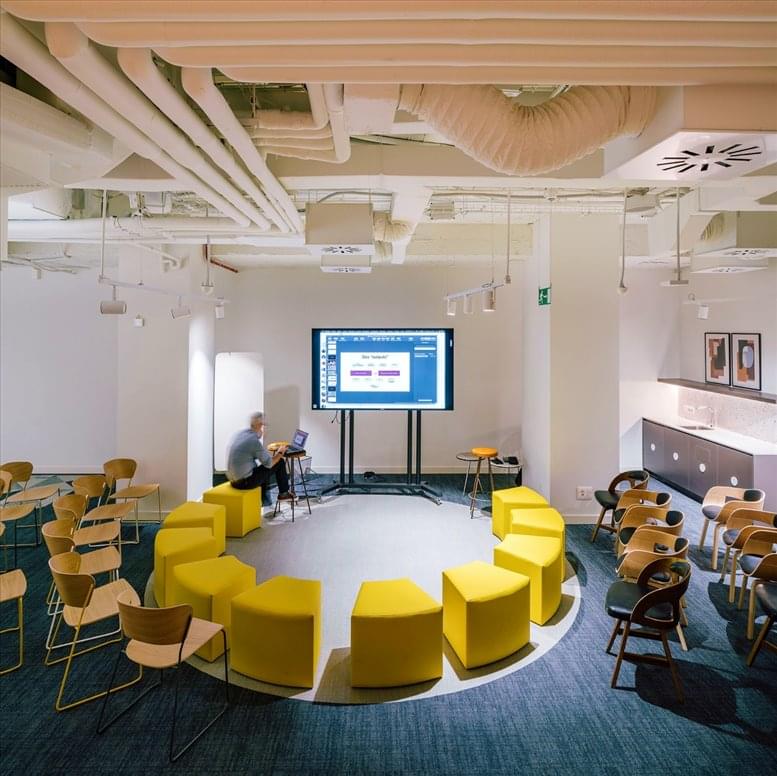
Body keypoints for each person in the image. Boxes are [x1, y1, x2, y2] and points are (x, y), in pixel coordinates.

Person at [227, 411, 294, 503]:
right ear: (260, 425)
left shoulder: (242, 434)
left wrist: (260, 436)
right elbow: (269, 463)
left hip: (233, 481)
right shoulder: (253, 441)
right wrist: (280, 452)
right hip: (244, 483)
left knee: (262, 470)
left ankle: (263, 500)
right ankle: (284, 494)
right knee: (280, 462)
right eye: (263, 425)